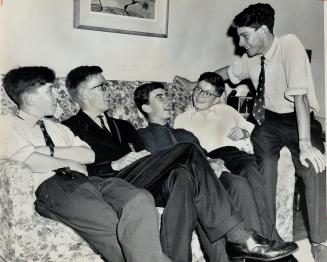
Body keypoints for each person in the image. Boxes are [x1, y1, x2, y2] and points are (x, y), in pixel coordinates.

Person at [62, 65, 297, 262]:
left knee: (185, 179)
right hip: (111, 181)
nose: (108, 90)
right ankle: (240, 236)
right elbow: (75, 169)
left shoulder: (123, 125)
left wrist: (212, 160)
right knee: (187, 151)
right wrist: (113, 164)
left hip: (144, 176)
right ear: (83, 94)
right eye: (101, 86)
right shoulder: (69, 127)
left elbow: (145, 155)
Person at [174, 3, 326, 261]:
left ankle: (320, 242)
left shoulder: (290, 44)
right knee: (263, 167)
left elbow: (300, 97)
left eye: (245, 36)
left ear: (263, 30)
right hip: (267, 122)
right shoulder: (251, 59)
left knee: (312, 167)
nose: (241, 43)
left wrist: (305, 143)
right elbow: (225, 74)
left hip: (298, 118)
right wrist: (193, 82)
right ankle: (267, 240)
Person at [0, 66, 171, 262]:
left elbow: (88, 155)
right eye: (49, 90)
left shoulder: (58, 128)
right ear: (30, 99)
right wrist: (69, 162)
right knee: (113, 227)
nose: (57, 94)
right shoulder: (6, 124)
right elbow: (30, 160)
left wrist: (45, 151)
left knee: (139, 198)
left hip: (88, 181)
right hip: (54, 188)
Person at [134, 81, 298, 262]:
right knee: (202, 194)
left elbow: (203, 155)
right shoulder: (142, 135)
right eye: (160, 97)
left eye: (166, 95)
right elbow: (159, 163)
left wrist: (213, 161)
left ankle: (255, 251)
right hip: (178, 183)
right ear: (146, 107)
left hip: (205, 177)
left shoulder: (184, 133)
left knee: (239, 183)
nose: (168, 100)